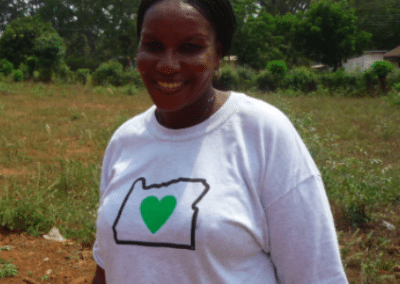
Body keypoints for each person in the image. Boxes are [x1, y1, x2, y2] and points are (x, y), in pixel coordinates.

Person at [92, 0, 348, 283]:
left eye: (190, 47)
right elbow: (106, 266)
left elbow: (316, 274)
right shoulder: (125, 141)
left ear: (218, 55)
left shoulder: (261, 133)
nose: (167, 65)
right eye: (153, 45)